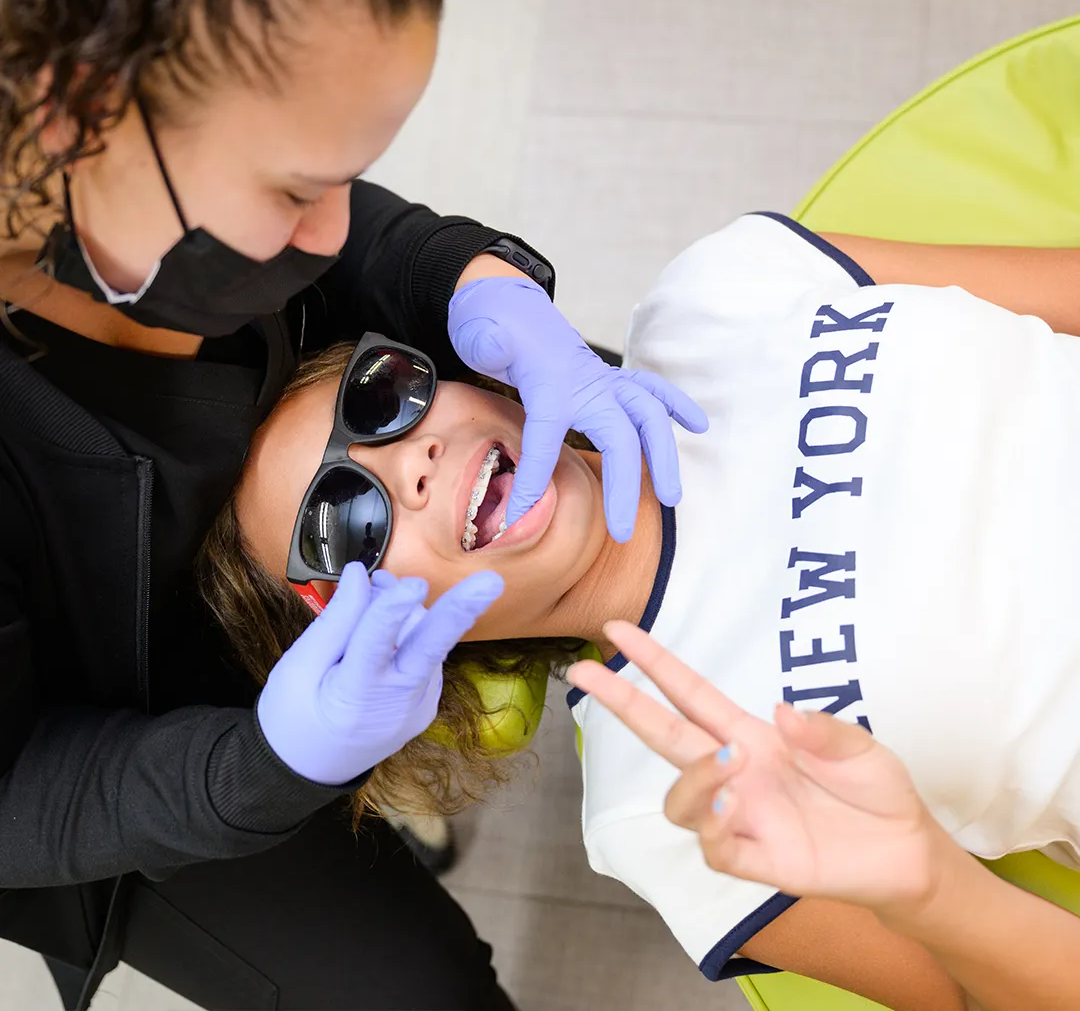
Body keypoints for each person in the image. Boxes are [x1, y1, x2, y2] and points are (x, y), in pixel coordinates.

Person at [0, 0, 702, 1010]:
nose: (332, 233)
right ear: (77, 117)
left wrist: (465, 275)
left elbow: (356, 230)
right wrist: (262, 767)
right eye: (294, 190)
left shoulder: (161, 170)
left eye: (345, 175)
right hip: (97, 755)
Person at [206, 211, 1080, 1011]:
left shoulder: (721, 291)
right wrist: (928, 888)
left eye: (378, 398)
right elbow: (974, 1000)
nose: (412, 461)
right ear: (371, 643)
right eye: (346, 522)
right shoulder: (665, 802)